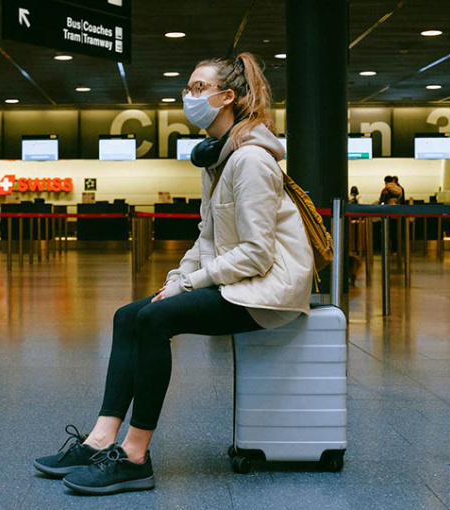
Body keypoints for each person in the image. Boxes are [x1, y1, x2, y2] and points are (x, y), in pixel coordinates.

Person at [33, 53, 314, 495]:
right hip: (238, 282)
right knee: (129, 315)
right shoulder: (219, 160)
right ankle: (99, 439)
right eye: (188, 87)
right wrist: (176, 279)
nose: (189, 96)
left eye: (199, 88)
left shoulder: (251, 161)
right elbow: (207, 237)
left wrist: (191, 284)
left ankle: (134, 456)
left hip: (267, 293)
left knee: (154, 320)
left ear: (228, 98)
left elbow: (258, 254)